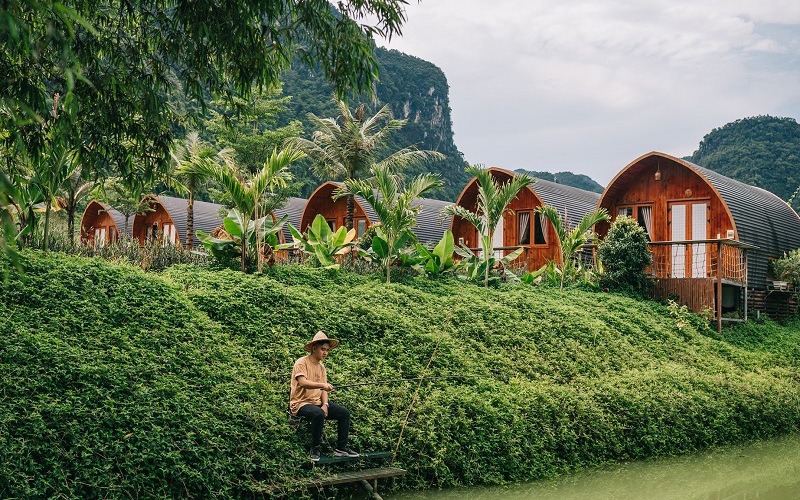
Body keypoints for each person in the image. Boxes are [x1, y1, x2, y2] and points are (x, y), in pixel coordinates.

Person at [290, 331, 359, 462]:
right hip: (300, 403)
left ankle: (341, 448)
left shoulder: (322, 368)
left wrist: (325, 404)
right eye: (323, 349)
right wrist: (322, 384)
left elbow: (323, 390)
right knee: (318, 414)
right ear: (314, 348)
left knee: (344, 413)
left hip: (317, 402)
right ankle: (315, 448)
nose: (325, 353)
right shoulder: (301, 362)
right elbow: (302, 382)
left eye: (327, 350)